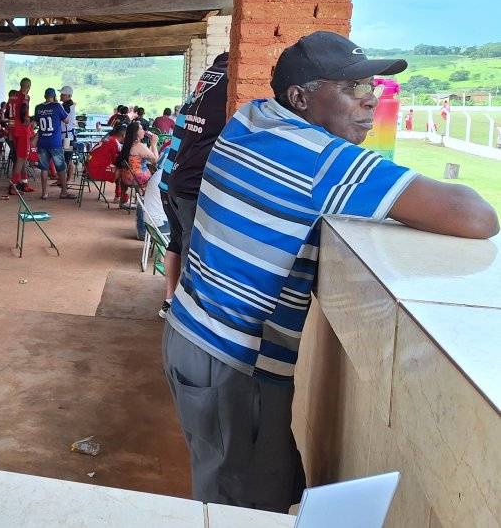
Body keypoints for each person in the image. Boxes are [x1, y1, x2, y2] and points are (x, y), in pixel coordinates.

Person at [163, 33, 498, 514]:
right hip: (233, 363)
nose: (370, 99)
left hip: (193, 337)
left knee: (255, 484)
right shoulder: (321, 159)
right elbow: (476, 217)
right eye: (351, 87)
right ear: (299, 98)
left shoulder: (251, 119)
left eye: (371, 86)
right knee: (242, 508)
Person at [157, 53, 229, 320]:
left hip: (171, 179)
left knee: (178, 242)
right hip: (191, 185)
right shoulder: (227, 86)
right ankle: (184, 314)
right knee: (191, 249)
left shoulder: (199, 91)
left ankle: (170, 301)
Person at [33, 88, 74, 200]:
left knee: (44, 168)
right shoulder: (57, 106)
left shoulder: (38, 107)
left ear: (44, 96)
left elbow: (36, 122)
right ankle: (64, 192)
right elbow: (66, 120)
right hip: (55, 142)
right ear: (54, 96)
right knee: (61, 168)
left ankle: (44, 193)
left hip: (42, 142)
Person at [114, 121, 159, 208]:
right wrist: (154, 144)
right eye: (141, 129)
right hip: (138, 179)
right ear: (136, 133)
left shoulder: (127, 145)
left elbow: (147, 155)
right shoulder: (139, 146)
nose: (144, 131)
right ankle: (146, 203)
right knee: (157, 177)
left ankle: (125, 201)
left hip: (126, 178)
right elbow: (155, 160)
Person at [7, 78, 35, 194]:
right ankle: (13, 186)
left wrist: (10, 131)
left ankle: (25, 183)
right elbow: (24, 112)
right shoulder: (26, 97)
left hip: (13, 130)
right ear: (29, 86)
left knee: (22, 157)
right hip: (23, 131)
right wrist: (28, 121)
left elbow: (8, 115)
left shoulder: (11, 97)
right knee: (21, 158)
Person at [59, 85, 78, 184]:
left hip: (67, 137)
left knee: (68, 158)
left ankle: (69, 179)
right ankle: (61, 179)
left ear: (69, 96)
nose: (61, 96)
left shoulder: (68, 106)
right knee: (63, 158)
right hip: (64, 136)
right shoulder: (66, 105)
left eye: (63, 94)